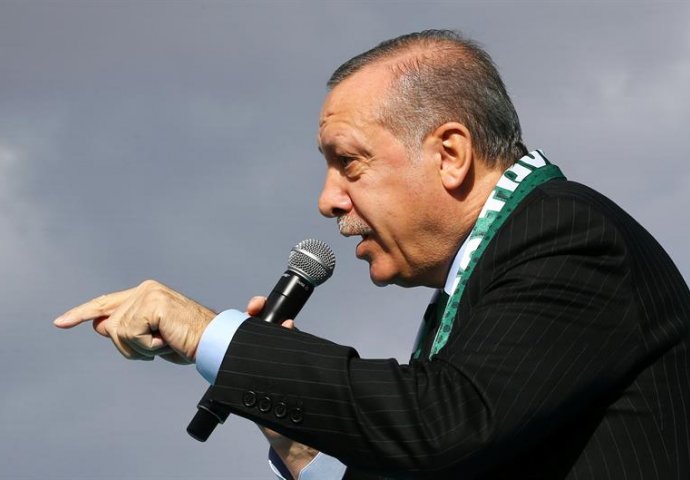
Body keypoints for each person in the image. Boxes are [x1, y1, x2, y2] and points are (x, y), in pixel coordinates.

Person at [54, 30, 690, 479]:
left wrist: (207, 333)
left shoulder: (568, 237)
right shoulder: (499, 263)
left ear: (450, 154)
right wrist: (299, 446)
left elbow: (440, 423)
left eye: (349, 163)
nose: (328, 200)